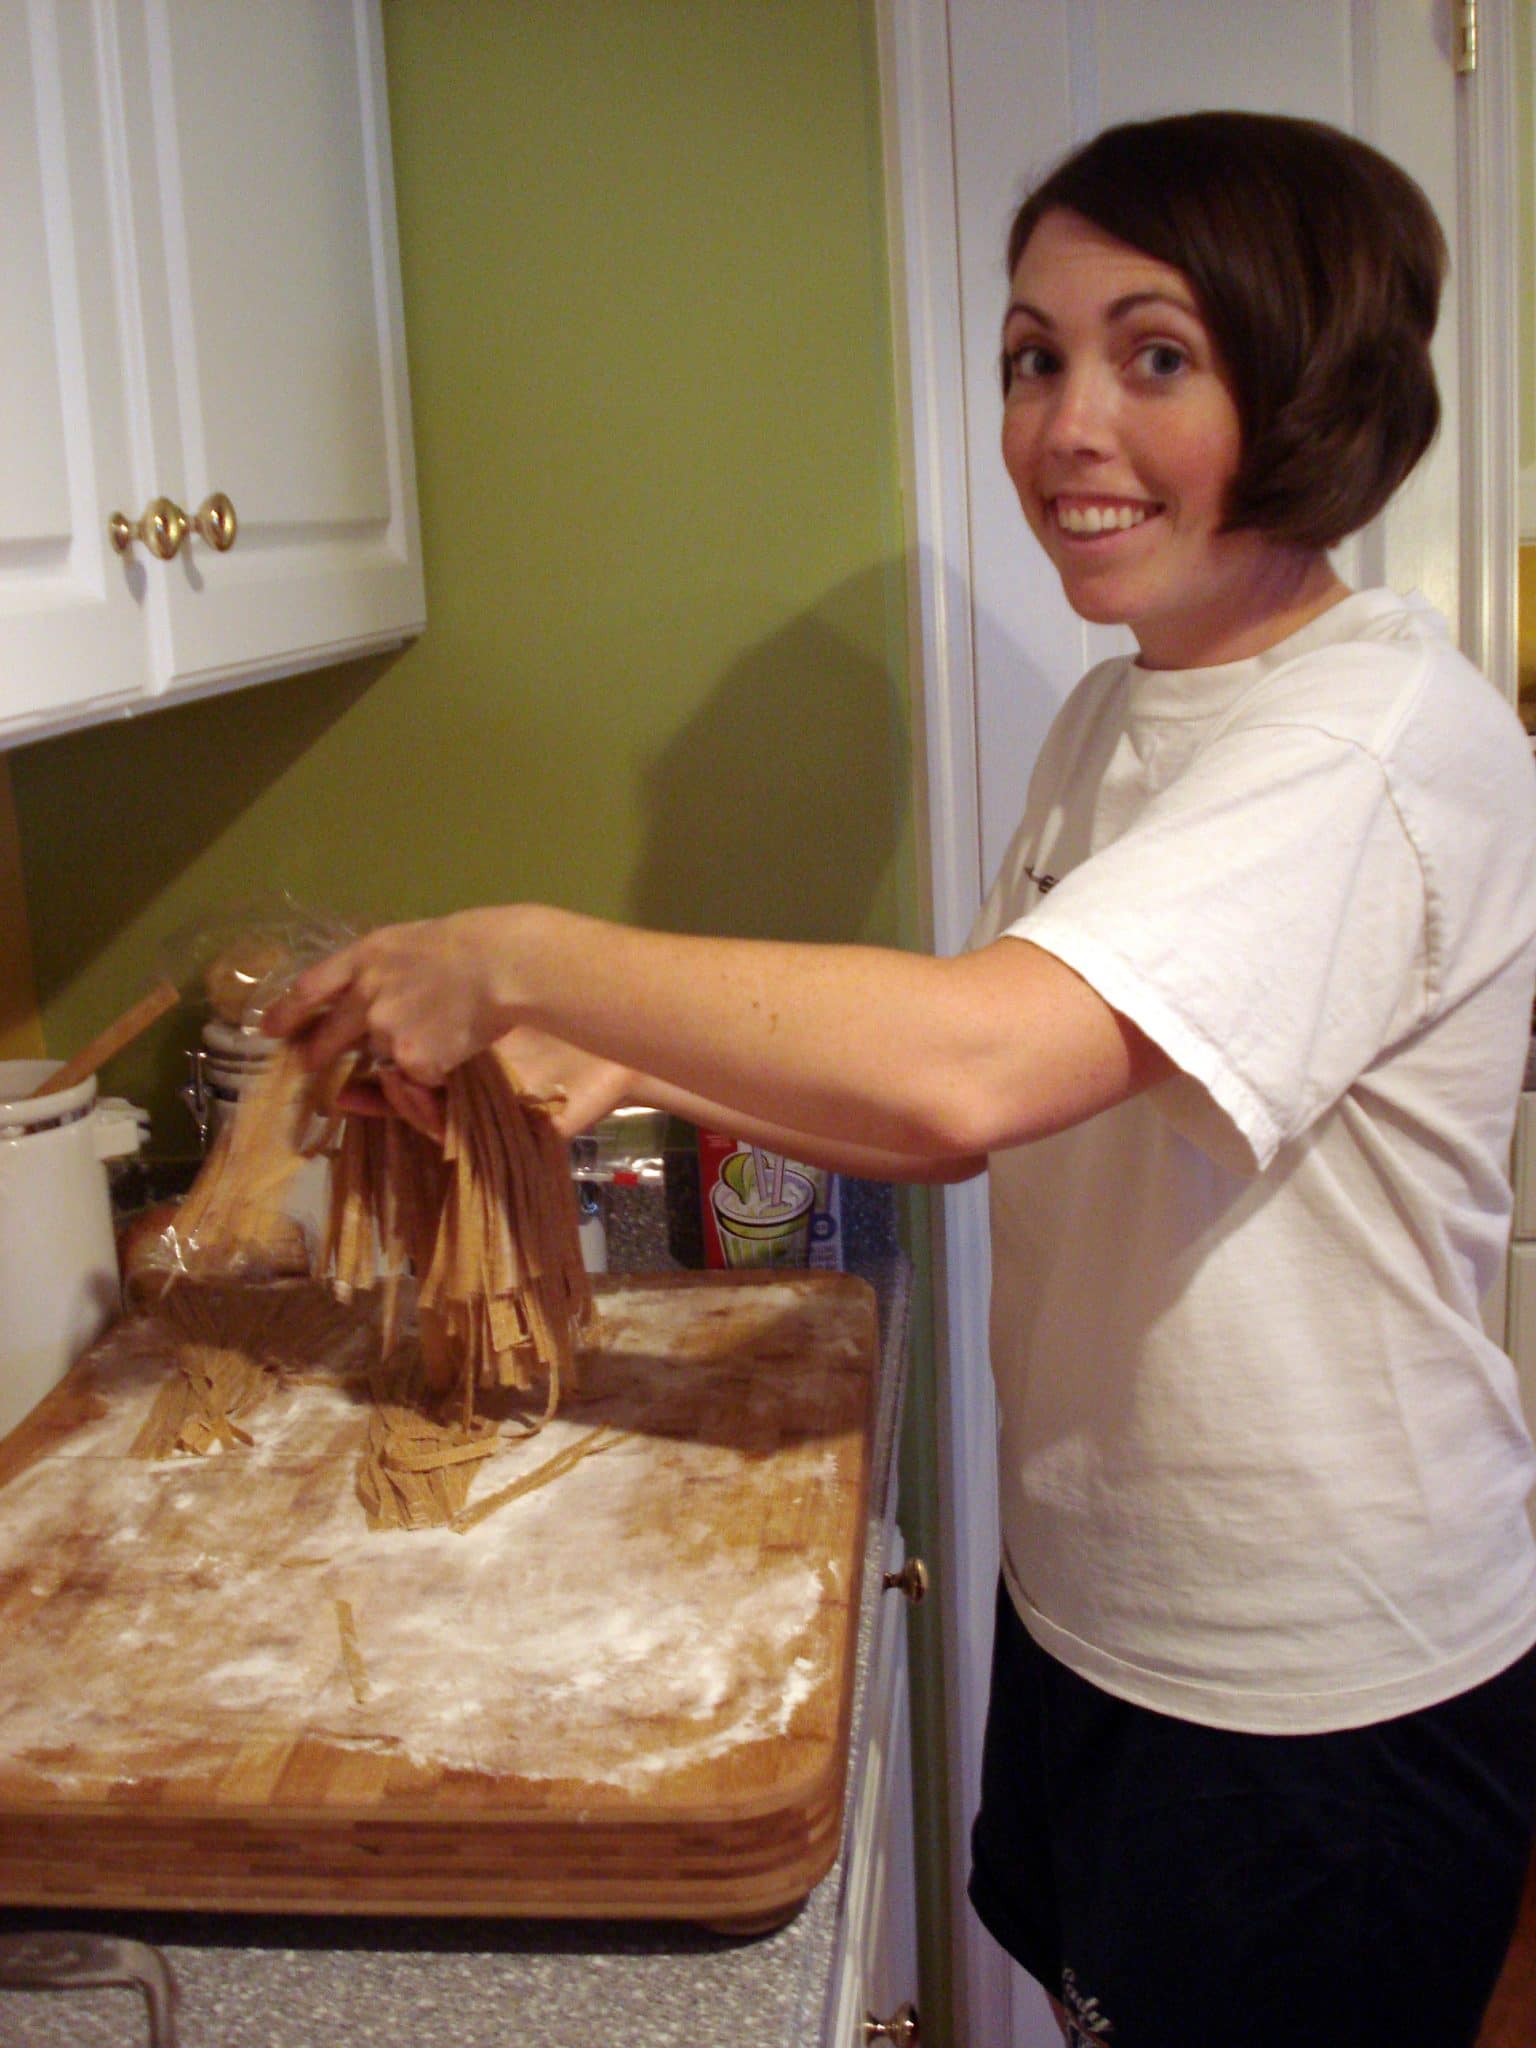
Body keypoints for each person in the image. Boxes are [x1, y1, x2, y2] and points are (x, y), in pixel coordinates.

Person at [266, 111, 1536, 2048]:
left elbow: (966, 1066)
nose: (1064, 423)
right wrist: (626, 1057)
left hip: (1313, 1692)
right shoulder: (1130, 711)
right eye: (1034, 355)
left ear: (1320, 381)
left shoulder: (1367, 740)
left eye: (1155, 353)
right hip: (1113, 1606)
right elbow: (1002, 1102)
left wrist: (522, 951)